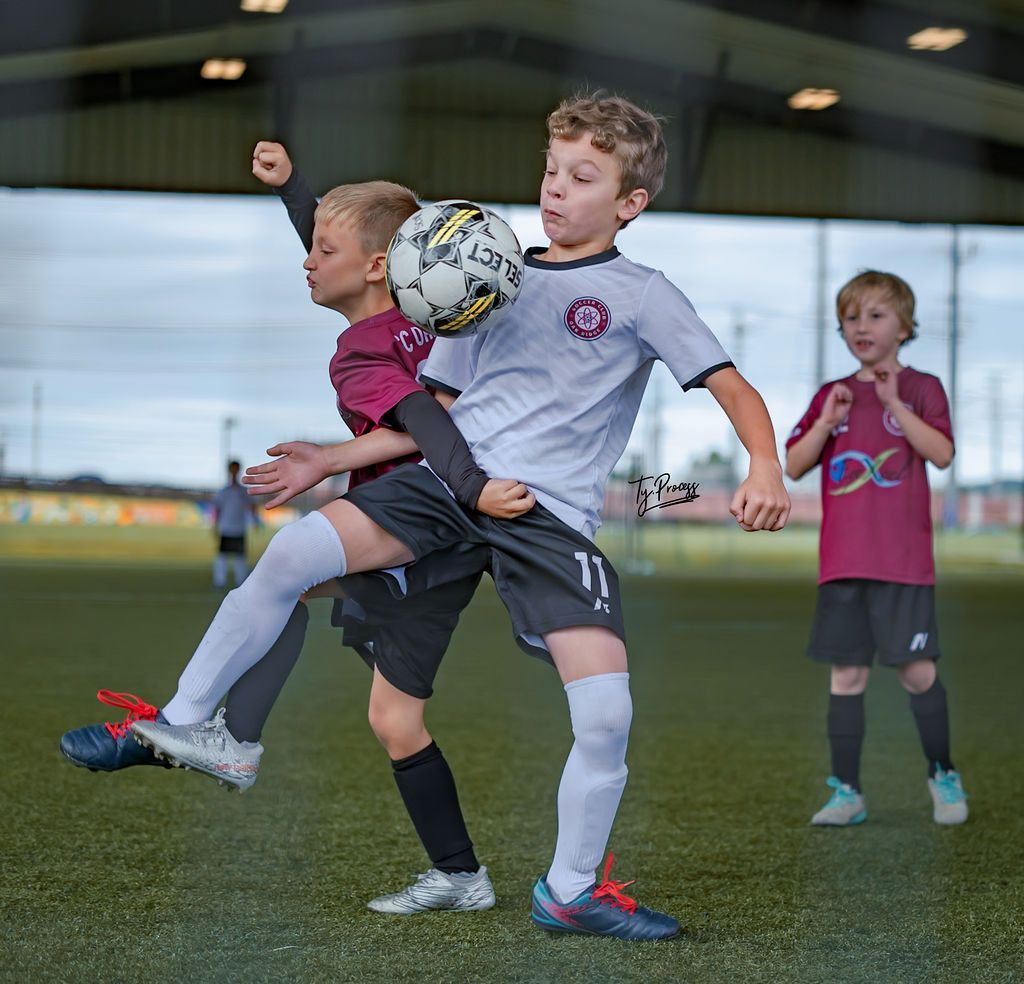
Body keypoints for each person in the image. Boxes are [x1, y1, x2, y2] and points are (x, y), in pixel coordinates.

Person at [122, 92, 790, 941]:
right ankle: (188, 722)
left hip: (545, 517)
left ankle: (571, 891)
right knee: (295, 556)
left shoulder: (643, 295)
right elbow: (432, 404)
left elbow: (733, 388)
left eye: (584, 176)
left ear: (630, 204)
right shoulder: (487, 271)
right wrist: (331, 460)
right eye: (552, 169)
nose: (557, 188)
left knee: (608, 714)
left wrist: (764, 465)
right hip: (446, 487)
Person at [60, 172, 531, 914]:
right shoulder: (440, 317)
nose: (308, 259)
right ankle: (462, 877)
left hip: (431, 507)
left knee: (284, 563)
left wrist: (349, 461)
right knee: (393, 719)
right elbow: (365, 242)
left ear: (376, 264)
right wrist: (296, 192)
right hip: (452, 538)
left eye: (322, 248)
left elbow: (421, 421)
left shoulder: (361, 351)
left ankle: (192, 725)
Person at [785, 270, 968, 827]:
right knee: (846, 677)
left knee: (915, 671)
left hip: (903, 567)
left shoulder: (922, 388)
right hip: (842, 567)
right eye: (850, 317)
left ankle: (943, 775)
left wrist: (894, 401)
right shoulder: (831, 395)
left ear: (905, 327)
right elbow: (793, 465)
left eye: (875, 315)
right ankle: (848, 792)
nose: (860, 326)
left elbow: (940, 453)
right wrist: (827, 422)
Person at [211, 459, 258, 588]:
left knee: (240, 557)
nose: (233, 471)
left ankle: (241, 582)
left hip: (239, 528)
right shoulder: (223, 491)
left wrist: (255, 520)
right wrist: (215, 525)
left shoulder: (243, 491)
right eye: (232, 468)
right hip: (226, 528)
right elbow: (218, 509)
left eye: (235, 468)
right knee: (222, 556)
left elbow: (252, 505)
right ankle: (219, 581)